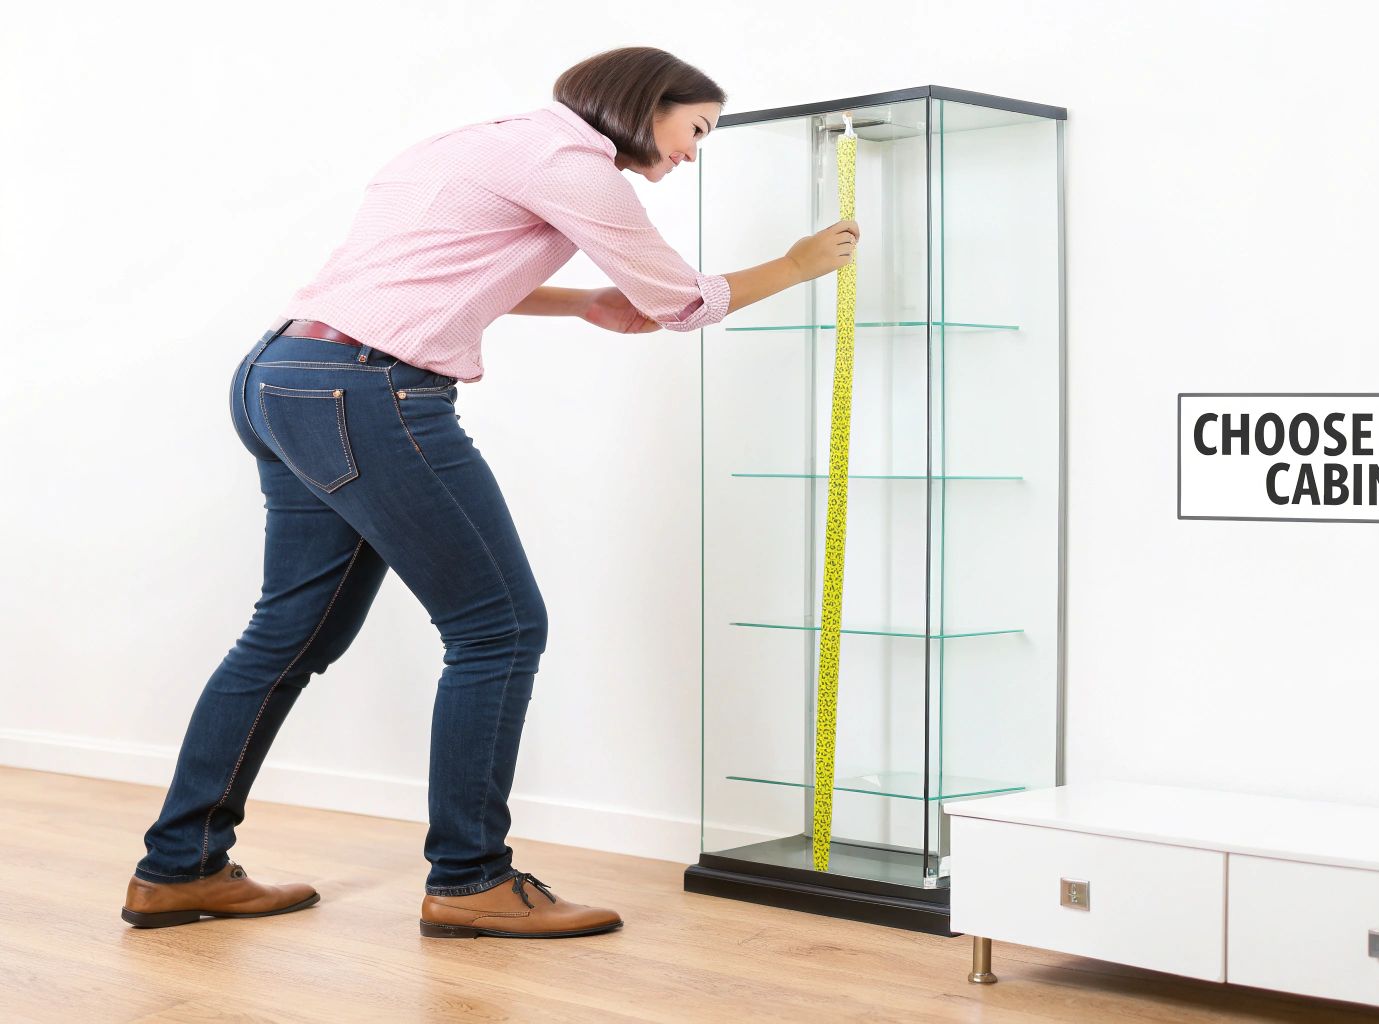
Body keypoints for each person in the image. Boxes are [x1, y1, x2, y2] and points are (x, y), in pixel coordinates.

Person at [121, 46, 858, 940]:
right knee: (499, 627)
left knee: (288, 632)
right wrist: (797, 262)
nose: (693, 153)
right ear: (643, 104)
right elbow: (683, 303)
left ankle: (178, 870)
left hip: (284, 375)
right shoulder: (575, 165)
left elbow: (428, 270)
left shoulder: (486, 141)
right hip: (368, 390)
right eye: (696, 129)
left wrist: (582, 302)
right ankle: (470, 879)